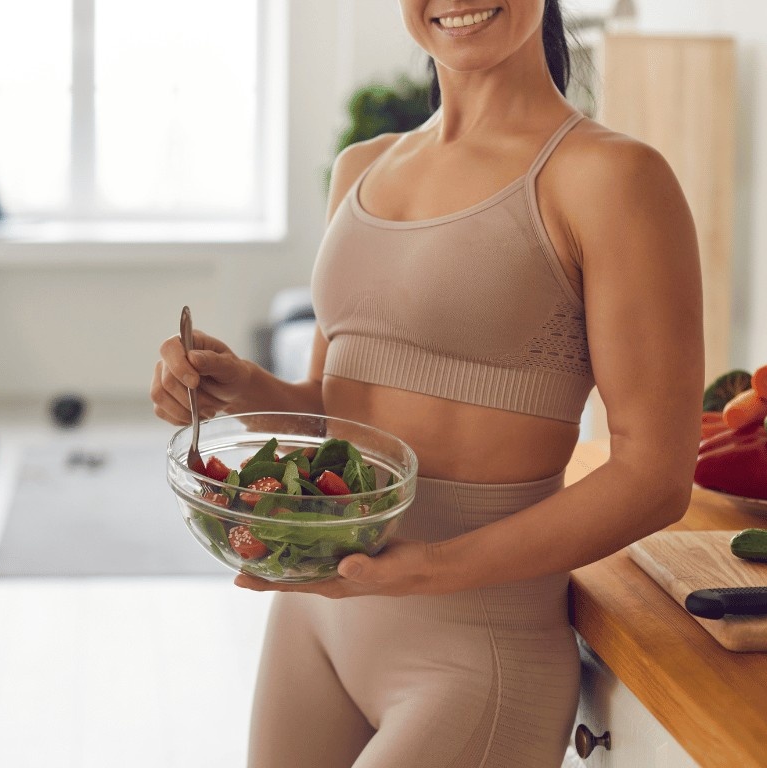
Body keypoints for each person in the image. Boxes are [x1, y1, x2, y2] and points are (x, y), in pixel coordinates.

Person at [150, 1, 704, 765]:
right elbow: (339, 418)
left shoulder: (611, 178)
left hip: (475, 652)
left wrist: (432, 569)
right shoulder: (361, 168)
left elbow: (655, 477)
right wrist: (238, 388)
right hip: (315, 621)